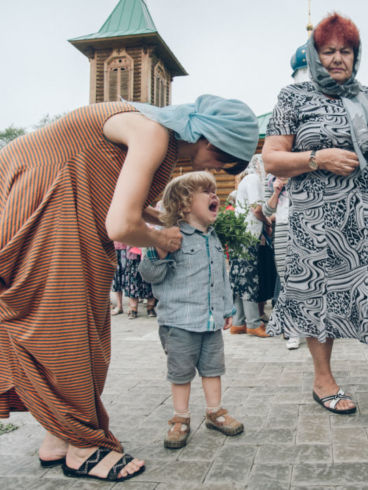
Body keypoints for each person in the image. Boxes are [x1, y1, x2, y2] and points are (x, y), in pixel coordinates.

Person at [0, 96, 258, 481]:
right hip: (47, 200)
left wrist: (157, 218)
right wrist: (162, 239)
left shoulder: (156, 132)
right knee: (67, 327)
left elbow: (119, 198)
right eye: (223, 161)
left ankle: (61, 437)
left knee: (79, 323)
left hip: (54, 199)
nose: (217, 169)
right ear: (210, 141)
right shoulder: (153, 133)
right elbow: (120, 226)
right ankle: (85, 448)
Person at [262, 13, 368, 441]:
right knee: (319, 299)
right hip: (317, 224)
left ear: (356, 55)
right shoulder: (293, 97)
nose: (338, 59)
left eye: (346, 51)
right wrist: (317, 158)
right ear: (315, 56)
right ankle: (324, 380)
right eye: (329, 51)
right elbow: (272, 159)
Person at [138, 171, 242, 450]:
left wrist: (227, 307)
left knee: (212, 369)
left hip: (210, 322)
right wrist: (158, 250)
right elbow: (147, 274)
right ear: (184, 205)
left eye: (213, 191)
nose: (213, 195)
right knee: (181, 372)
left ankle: (215, 412)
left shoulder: (214, 237)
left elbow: (222, 274)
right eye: (205, 192)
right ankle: (180, 417)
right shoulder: (170, 237)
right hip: (179, 323)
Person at [229, 155, 269, 338]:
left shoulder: (245, 180)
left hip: (240, 235)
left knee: (240, 279)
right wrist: (268, 222)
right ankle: (253, 323)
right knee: (249, 278)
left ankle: (238, 322)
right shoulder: (253, 180)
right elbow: (257, 209)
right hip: (248, 235)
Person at [262, 174, 300, 349]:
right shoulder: (270, 179)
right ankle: (293, 330)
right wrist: (276, 190)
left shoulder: (303, 170)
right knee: (286, 277)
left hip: (307, 224)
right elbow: (266, 211)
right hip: (284, 226)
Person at [124, 245, 157, 318]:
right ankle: (133, 309)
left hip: (149, 252)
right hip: (133, 253)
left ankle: (150, 308)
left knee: (150, 281)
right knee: (132, 281)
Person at [111, 241, 126, 315]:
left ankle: (132, 308)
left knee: (128, 277)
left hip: (128, 247)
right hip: (113, 248)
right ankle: (119, 306)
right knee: (116, 277)